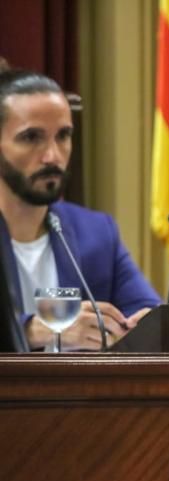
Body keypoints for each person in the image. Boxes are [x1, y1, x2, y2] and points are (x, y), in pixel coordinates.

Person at [0, 68, 160, 350]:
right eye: (30, 138)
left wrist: (144, 327)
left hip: (79, 394)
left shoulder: (97, 233)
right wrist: (30, 330)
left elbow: (150, 316)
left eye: (63, 136)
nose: (52, 156)